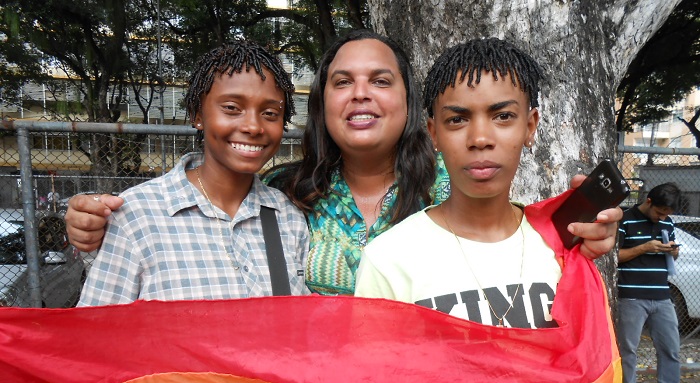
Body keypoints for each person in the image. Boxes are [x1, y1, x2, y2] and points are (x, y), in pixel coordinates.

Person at [67, 30, 621, 297]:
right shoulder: (281, 196)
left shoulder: (455, 187)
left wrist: (573, 234)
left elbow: (511, 239)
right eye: (342, 82)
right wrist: (93, 226)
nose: (361, 94)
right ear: (321, 105)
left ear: (413, 108)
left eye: (381, 81)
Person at [354, 38, 587, 329]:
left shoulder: (563, 245)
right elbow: (375, 370)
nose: (479, 139)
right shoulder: (388, 260)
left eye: (503, 116)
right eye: (457, 120)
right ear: (433, 133)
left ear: (530, 127)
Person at [78, 41, 309, 305]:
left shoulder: (288, 218)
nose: (253, 126)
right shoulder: (137, 217)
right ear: (197, 114)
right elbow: (96, 333)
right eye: (232, 108)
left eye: (270, 113)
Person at [617, 183, 699, 383]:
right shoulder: (624, 219)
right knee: (628, 348)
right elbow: (614, 256)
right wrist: (644, 248)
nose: (662, 217)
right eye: (659, 212)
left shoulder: (667, 222)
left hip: (662, 295)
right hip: (631, 295)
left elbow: (675, 254)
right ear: (649, 201)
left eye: (667, 214)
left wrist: (673, 251)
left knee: (671, 346)